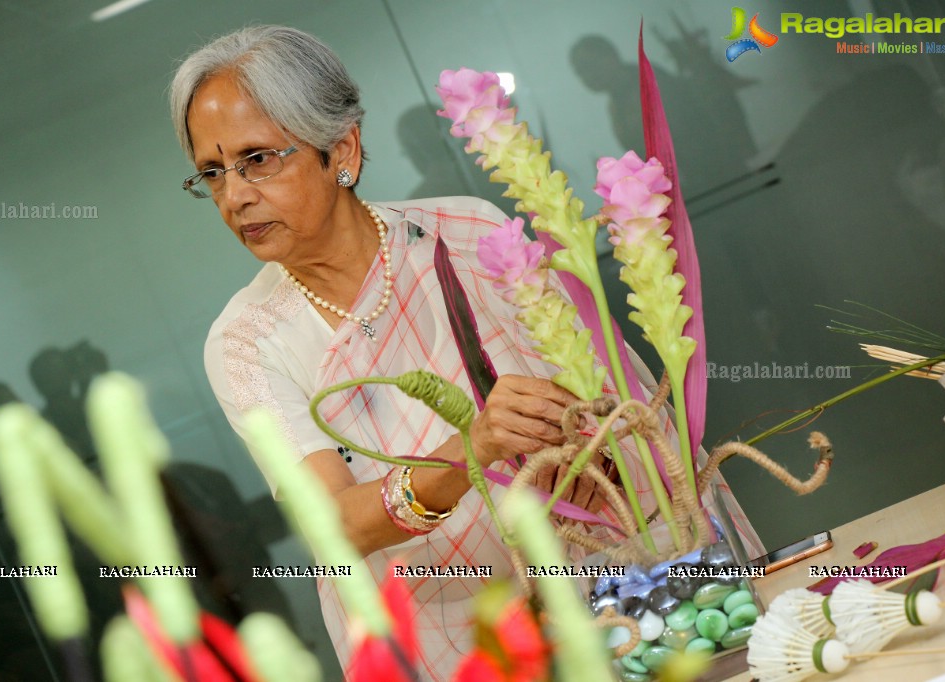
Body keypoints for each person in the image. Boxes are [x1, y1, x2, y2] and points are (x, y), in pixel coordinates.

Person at [171, 25, 761, 681]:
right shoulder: (246, 341)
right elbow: (333, 527)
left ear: (340, 149)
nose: (234, 195)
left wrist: (588, 450)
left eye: (257, 159)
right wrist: (471, 451)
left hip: (607, 586)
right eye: (211, 172)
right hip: (449, 640)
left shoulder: (465, 232)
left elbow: (622, 408)